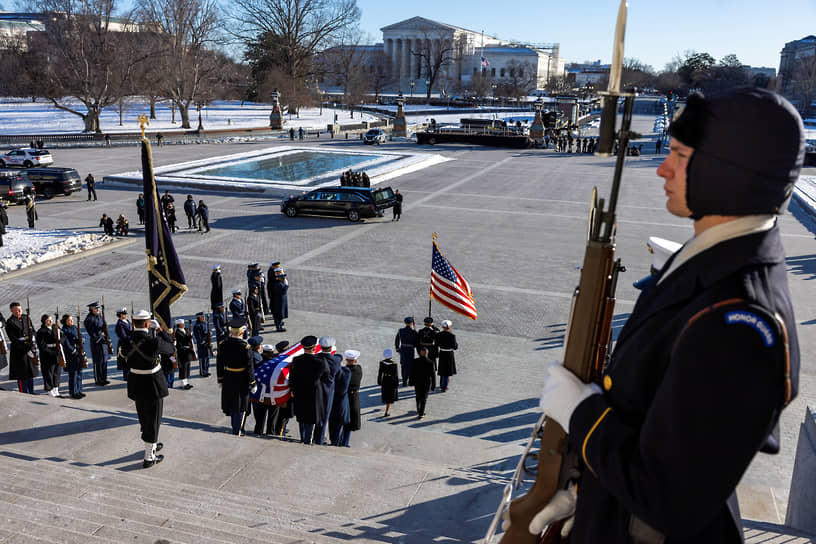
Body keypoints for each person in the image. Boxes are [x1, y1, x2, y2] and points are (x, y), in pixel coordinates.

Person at [523, 88, 804, 543]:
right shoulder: (714, 262)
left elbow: (669, 496)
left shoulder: (741, 321)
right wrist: (589, 490)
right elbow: (659, 430)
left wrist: (581, 413)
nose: (661, 167)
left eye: (678, 154)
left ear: (725, 172)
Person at [119, 310, 175, 468]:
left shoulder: (125, 341)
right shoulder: (154, 342)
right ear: (148, 323)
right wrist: (160, 331)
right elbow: (171, 348)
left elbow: (122, 364)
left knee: (144, 418)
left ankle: (152, 444)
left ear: (133, 322)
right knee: (154, 419)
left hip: (136, 382)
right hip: (153, 384)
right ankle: (149, 457)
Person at [217, 318, 257, 436]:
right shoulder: (246, 348)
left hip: (228, 376)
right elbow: (250, 367)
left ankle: (235, 427)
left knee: (232, 402)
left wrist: (220, 379)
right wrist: (252, 382)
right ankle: (238, 429)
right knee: (241, 404)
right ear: (242, 332)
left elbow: (219, 364)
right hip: (241, 378)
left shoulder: (223, 344)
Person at [288, 335, 329, 445]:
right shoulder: (321, 362)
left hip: (299, 391)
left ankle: (303, 438)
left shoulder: (296, 360)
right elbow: (326, 376)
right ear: (314, 348)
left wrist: (293, 389)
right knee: (311, 417)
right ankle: (307, 440)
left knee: (302, 416)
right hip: (314, 393)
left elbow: (292, 377)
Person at [316, 336, 342, 445]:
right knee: (324, 416)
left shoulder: (316, 358)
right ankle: (320, 440)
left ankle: (312, 437)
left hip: (316, 389)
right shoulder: (335, 360)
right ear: (331, 348)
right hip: (328, 390)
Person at [6, 303, 37, 394]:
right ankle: (24, 392)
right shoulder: (10, 322)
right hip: (19, 350)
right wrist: (26, 349)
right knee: (22, 373)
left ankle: (31, 391)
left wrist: (33, 337)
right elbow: (14, 339)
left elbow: (32, 330)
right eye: (16, 310)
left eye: (20, 309)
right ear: (11, 310)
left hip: (30, 347)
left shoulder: (26, 318)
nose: (18, 311)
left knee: (30, 371)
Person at [83, 302, 109, 386]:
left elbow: (103, 325)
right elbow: (92, 333)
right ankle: (98, 379)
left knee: (104, 360)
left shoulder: (99, 315)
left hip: (103, 340)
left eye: (98, 308)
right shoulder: (89, 319)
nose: (98, 310)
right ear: (91, 309)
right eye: (96, 309)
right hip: (96, 342)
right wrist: (99, 339)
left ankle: (104, 378)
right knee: (98, 361)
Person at [329, 355, 352, 446]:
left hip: (335, 401)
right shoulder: (346, 371)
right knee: (334, 423)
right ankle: (335, 442)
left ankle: (335, 442)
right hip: (338, 401)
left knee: (335, 424)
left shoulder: (333, 371)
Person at [60, 314, 85, 399]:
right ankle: (73, 392)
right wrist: (72, 350)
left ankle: (79, 390)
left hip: (78, 351)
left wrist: (81, 340)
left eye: (71, 320)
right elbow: (66, 343)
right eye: (69, 320)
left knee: (79, 371)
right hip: (71, 354)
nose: (71, 322)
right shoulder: (64, 330)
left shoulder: (74, 327)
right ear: (65, 322)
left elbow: (80, 335)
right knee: (73, 373)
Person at [36, 314, 61, 397]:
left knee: (57, 371)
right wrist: (51, 352)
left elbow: (63, 336)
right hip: (47, 354)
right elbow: (42, 345)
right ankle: (49, 389)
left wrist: (60, 341)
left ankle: (56, 388)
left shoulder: (55, 327)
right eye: (48, 320)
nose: (50, 321)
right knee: (48, 372)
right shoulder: (41, 331)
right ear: (44, 322)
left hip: (57, 351)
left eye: (51, 320)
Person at [342, 349, 363, 446]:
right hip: (354, 397)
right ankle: (345, 442)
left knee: (343, 422)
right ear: (355, 360)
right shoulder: (359, 368)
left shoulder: (344, 371)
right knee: (349, 423)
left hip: (345, 397)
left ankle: (340, 441)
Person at [410, 346, 434, 419]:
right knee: (424, 398)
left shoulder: (415, 361)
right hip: (426, 382)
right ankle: (421, 413)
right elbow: (433, 375)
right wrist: (433, 384)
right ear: (427, 353)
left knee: (418, 396)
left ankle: (418, 409)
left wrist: (411, 381)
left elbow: (412, 372)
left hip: (417, 382)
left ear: (420, 353)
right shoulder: (430, 362)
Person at [436, 320, 458, 392]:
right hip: (449, 354)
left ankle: (441, 384)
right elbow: (455, 347)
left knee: (442, 370)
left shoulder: (439, 334)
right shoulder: (452, 336)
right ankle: (444, 387)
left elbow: (437, 344)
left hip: (442, 352)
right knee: (447, 371)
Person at [394, 316, 417, 386]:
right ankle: (410, 380)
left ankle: (404, 380)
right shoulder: (413, 332)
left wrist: (397, 348)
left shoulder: (401, 330)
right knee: (410, 365)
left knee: (403, 365)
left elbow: (397, 339)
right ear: (411, 323)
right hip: (410, 350)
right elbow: (416, 342)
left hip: (403, 349)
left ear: (405, 323)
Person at [417, 316, 438, 390]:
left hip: (422, 353)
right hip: (431, 354)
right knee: (432, 372)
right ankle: (433, 385)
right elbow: (436, 344)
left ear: (424, 323)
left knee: (422, 370)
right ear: (431, 324)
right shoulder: (434, 332)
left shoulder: (420, 331)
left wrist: (419, 352)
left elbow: (418, 343)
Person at [173, 319, 195, 390]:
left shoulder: (186, 330)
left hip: (188, 352)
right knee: (183, 368)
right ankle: (183, 384)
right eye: (182, 324)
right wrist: (189, 337)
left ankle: (186, 382)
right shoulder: (177, 333)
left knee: (188, 367)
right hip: (183, 352)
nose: (184, 325)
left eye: (183, 323)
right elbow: (181, 342)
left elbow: (188, 337)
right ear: (179, 325)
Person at [377, 349, 399, 417]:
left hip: (385, 379)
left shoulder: (382, 363)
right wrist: (396, 383)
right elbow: (396, 375)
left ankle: (386, 405)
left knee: (385, 393)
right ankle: (386, 411)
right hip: (391, 380)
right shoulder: (394, 364)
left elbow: (380, 372)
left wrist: (379, 380)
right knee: (390, 397)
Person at [114, 308, 133, 381]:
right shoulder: (119, 324)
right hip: (124, 344)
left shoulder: (127, 321)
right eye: (123, 314)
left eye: (125, 314)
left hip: (130, 344)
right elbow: (123, 336)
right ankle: (126, 379)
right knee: (126, 363)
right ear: (120, 315)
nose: (125, 315)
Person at [192, 312, 210, 377]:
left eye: (204, 317)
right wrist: (203, 342)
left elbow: (206, 332)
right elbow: (198, 336)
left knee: (207, 357)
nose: (204, 318)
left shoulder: (204, 323)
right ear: (199, 318)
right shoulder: (197, 326)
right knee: (202, 358)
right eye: (202, 317)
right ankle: (203, 372)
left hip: (206, 342)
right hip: (201, 344)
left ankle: (206, 370)